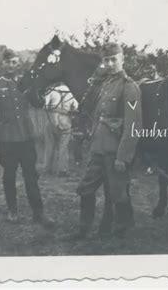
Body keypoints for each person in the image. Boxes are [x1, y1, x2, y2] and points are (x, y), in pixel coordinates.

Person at [69, 43, 142, 240]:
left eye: (113, 59)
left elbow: (133, 126)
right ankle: (84, 228)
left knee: (118, 194)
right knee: (86, 188)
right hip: (97, 149)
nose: (110, 64)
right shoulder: (103, 85)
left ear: (122, 60)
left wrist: (123, 157)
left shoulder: (129, 87)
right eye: (106, 60)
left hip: (114, 152)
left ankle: (121, 231)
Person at [0, 49, 53, 228]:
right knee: (9, 176)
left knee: (31, 176)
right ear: (3, 64)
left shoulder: (25, 82)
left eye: (14, 62)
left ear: (18, 64)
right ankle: (12, 209)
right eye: (8, 62)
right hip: (6, 140)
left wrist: (38, 89)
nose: (11, 65)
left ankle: (38, 212)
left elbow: (38, 104)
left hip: (26, 138)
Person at [43, 84, 78, 176]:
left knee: (49, 145)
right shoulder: (70, 92)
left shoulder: (50, 91)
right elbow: (76, 107)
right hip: (65, 121)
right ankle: (62, 170)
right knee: (63, 146)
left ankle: (47, 169)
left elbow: (45, 107)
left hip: (52, 120)